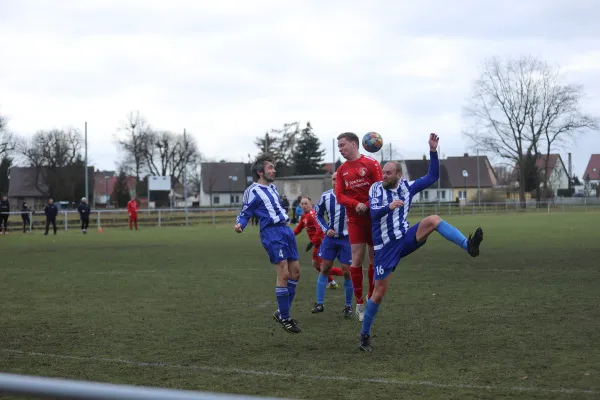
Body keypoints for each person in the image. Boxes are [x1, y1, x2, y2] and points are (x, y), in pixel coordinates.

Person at [359, 133, 484, 352]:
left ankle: (469, 246)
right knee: (378, 294)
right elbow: (373, 215)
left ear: (399, 174)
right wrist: (388, 208)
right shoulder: (376, 189)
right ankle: (365, 335)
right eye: (383, 172)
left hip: (405, 238)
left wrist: (433, 151)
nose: (384, 176)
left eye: (388, 173)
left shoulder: (407, 187)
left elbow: (432, 176)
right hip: (385, 248)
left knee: (434, 220)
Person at [234, 154, 301, 334]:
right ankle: (286, 318)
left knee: (295, 274)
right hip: (272, 233)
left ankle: (281, 312)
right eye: (270, 167)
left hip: (286, 231)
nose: (274, 170)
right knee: (284, 274)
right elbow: (245, 212)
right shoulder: (253, 191)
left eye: (273, 167)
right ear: (260, 171)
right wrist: (240, 224)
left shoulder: (272, 189)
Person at [335, 132, 383, 321]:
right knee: (356, 258)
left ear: (354, 144)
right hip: (354, 218)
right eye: (338, 146)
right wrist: (356, 205)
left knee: (373, 257)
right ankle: (359, 303)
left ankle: (371, 296)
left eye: (342, 145)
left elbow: (380, 189)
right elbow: (340, 196)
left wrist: (369, 206)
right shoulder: (341, 171)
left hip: (373, 217)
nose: (340, 149)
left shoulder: (371, 164)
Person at [313, 172, 354, 317]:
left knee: (346, 271)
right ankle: (319, 303)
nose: (335, 181)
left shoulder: (351, 195)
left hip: (347, 238)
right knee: (325, 268)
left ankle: (348, 306)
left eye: (338, 179)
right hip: (331, 239)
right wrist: (326, 229)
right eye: (333, 179)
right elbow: (317, 214)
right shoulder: (326, 196)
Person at [293, 196, 342, 289]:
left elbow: (320, 229)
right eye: (302, 204)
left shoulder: (312, 215)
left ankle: (348, 274)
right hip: (316, 244)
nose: (304, 206)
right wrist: (288, 236)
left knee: (323, 267)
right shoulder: (304, 216)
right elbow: (298, 229)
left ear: (311, 205)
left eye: (306, 203)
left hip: (322, 243)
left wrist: (312, 242)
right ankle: (332, 282)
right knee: (315, 264)